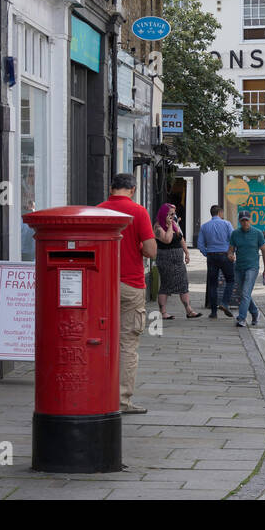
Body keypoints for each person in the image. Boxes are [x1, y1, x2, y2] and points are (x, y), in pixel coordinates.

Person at [100, 173, 156, 414]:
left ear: (111, 188)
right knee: (127, 344)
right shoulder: (139, 212)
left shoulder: (99, 210)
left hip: (101, 284)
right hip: (131, 285)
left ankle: (98, 395)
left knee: (100, 340)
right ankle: (121, 400)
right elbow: (152, 251)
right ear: (132, 189)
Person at [154, 204, 201, 320]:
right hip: (165, 259)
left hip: (178, 260)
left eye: (174, 214)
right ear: (164, 214)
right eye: (170, 214)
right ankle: (163, 312)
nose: (172, 216)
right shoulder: (157, 227)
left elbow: (181, 238)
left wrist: (187, 252)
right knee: (166, 285)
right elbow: (167, 239)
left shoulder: (174, 224)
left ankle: (189, 310)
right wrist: (169, 226)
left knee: (183, 283)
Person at [228, 214, 265, 328]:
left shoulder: (257, 233)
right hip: (239, 267)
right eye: (242, 221)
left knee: (245, 293)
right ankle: (255, 313)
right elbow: (230, 250)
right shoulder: (235, 234)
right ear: (239, 222)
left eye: (247, 220)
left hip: (252, 267)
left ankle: (241, 318)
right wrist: (230, 255)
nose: (245, 223)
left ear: (250, 220)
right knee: (244, 294)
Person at [196, 204, 235, 318]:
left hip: (212, 256)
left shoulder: (204, 226)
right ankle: (224, 302)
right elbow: (233, 239)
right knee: (231, 280)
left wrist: (206, 253)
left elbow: (200, 244)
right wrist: (232, 253)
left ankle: (213, 312)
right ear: (220, 213)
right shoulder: (227, 224)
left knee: (212, 284)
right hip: (225, 255)